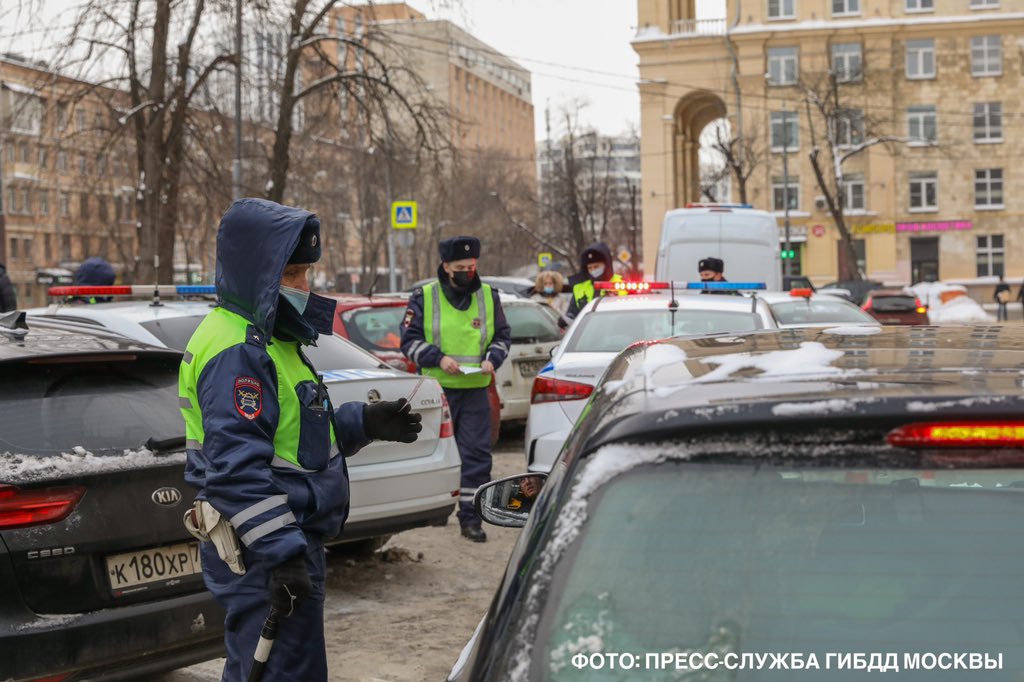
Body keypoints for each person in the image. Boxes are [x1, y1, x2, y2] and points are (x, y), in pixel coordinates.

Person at [179, 198, 422, 681]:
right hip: (261, 551)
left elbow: (293, 438)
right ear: (258, 270)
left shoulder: (270, 337)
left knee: (281, 671)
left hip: (279, 543)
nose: (303, 287)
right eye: (291, 274)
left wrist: (362, 422)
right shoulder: (238, 351)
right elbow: (236, 473)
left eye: (306, 273)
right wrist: (282, 553)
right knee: (280, 674)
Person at [400, 236, 512, 543]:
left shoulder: (489, 295)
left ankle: (471, 517)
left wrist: (493, 358)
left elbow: (502, 336)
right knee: (433, 454)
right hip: (436, 391)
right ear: (446, 266)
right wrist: (438, 358)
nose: (467, 272)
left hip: (476, 388)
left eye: (472, 266)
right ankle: (430, 509)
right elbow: (407, 342)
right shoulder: (424, 296)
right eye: (461, 267)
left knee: (476, 455)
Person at [564, 242, 622, 325]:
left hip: (616, 331)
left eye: (596, 266)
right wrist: (566, 320)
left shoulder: (620, 285)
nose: (593, 270)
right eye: (589, 268)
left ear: (606, 265)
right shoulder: (579, 287)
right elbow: (573, 313)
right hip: (589, 334)